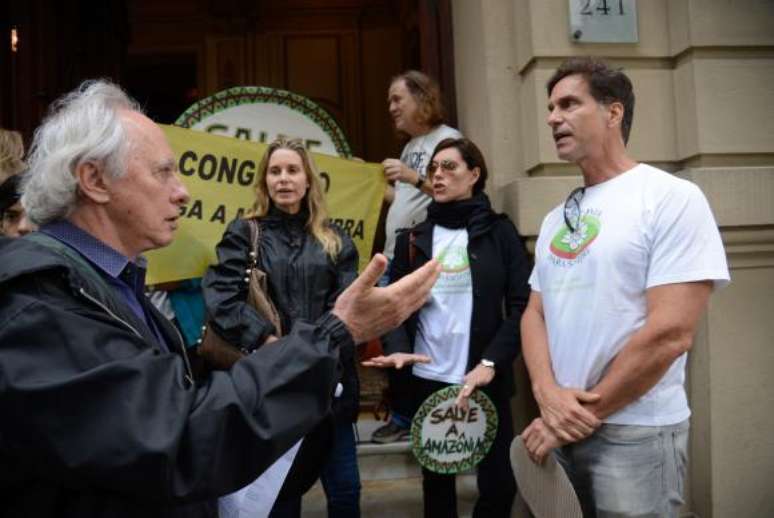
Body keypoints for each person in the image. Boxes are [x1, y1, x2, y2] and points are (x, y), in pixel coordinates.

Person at [0, 79, 440, 518]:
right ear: (95, 180)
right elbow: (174, 437)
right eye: (162, 172)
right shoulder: (39, 301)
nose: (182, 191)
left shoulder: (106, 281)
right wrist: (326, 337)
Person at [520, 57, 730, 517]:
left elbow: (671, 333)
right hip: (562, 425)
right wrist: (547, 394)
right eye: (550, 107)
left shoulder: (670, 198)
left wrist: (578, 418)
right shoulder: (558, 216)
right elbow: (535, 312)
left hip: (635, 432)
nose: (553, 117)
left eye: (569, 104)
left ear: (613, 112)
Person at [365, 137, 531, 517]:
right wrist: (399, 348)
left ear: (474, 174)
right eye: (433, 169)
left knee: (499, 483)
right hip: (428, 378)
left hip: (482, 378)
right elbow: (392, 306)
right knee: (437, 486)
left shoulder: (499, 232)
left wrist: (490, 363)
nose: (438, 175)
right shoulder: (412, 238)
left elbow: (523, 305)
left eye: (449, 167)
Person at [203, 136, 361, 517]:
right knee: (279, 498)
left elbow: (346, 309)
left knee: (345, 492)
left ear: (309, 181)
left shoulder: (336, 239)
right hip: (272, 385)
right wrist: (267, 338)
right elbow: (221, 296)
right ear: (264, 181)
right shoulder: (245, 232)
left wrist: (314, 352)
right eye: (275, 171)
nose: (284, 179)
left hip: (328, 384)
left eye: (293, 170)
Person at [373, 70, 463, 444]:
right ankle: (404, 414)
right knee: (395, 341)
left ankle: (413, 417)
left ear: (422, 97)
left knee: (417, 341)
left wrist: (412, 177)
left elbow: (454, 189)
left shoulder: (448, 140)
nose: (391, 107)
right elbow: (410, 199)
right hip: (398, 254)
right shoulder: (412, 145)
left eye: (398, 98)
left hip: (425, 257)